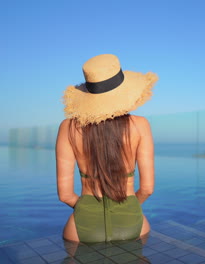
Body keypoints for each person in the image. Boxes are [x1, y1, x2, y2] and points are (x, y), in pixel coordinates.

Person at [55, 54, 158, 243]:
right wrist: (128, 208)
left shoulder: (67, 128)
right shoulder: (140, 125)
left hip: (82, 224)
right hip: (131, 221)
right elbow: (147, 189)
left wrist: (88, 209)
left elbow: (65, 195)